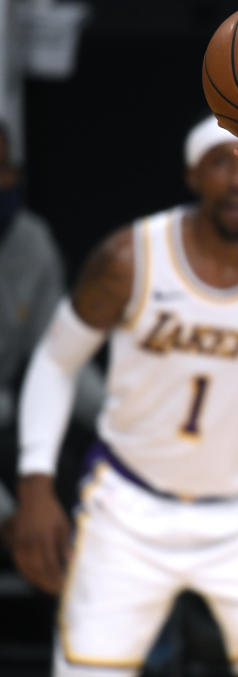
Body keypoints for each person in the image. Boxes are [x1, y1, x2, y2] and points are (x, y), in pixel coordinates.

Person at [9, 116, 238, 677]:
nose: (235, 182)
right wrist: (35, 483)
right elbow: (56, 362)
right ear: (191, 174)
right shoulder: (130, 257)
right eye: (219, 165)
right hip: (127, 508)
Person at [0, 119, 102, 549]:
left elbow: (60, 355)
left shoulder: (30, 241)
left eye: (4, 167)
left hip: (4, 420)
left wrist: (126, 421)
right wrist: (9, 519)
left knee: (70, 474)